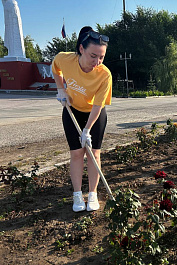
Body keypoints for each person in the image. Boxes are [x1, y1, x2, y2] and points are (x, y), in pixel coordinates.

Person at [52, 26, 112, 212]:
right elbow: (55, 68)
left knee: (93, 154)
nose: (97, 61)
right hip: (72, 110)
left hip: (94, 114)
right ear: (81, 49)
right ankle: (77, 195)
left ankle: (92, 194)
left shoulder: (104, 74)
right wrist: (61, 88)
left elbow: (98, 105)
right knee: (77, 154)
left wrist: (86, 130)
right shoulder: (65, 59)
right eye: (93, 56)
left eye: (101, 57)